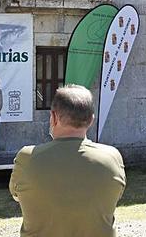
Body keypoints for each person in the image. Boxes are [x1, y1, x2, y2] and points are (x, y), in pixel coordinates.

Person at [9, 84, 126, 237]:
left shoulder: (27, 157)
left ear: (54, 117)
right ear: (91, 120)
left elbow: (16, 195)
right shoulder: (112, 157)